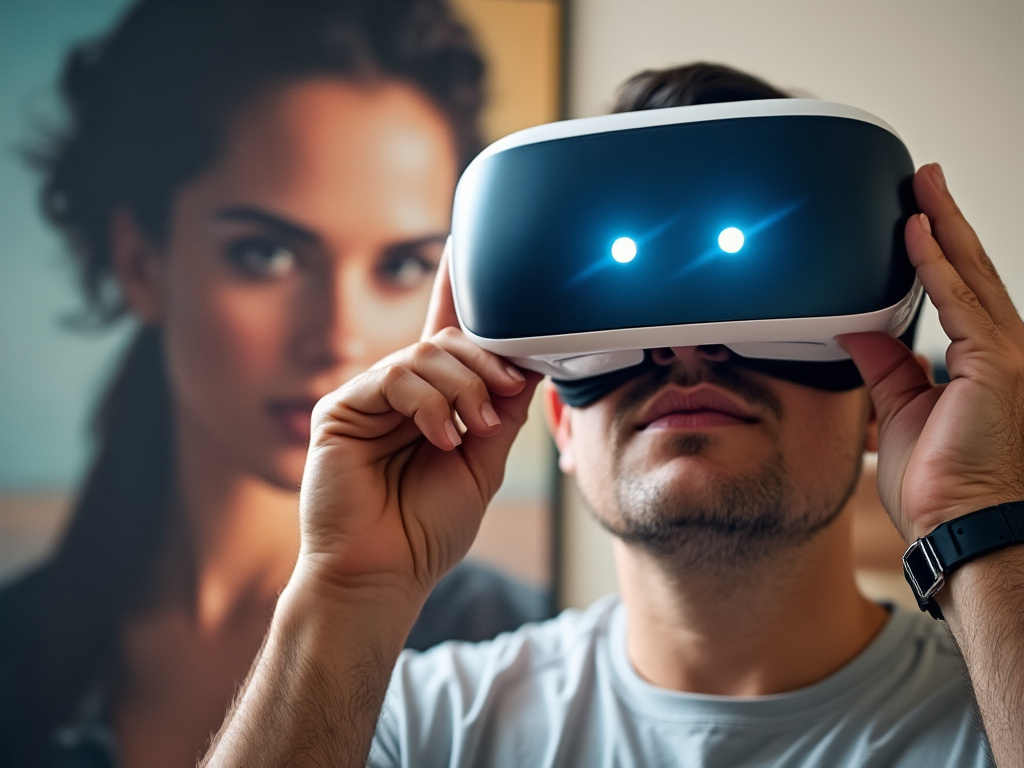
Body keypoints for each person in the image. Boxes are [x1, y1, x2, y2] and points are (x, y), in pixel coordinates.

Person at [199, 63, 1024, 767]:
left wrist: (978, 514)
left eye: (758, 322)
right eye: (622, 336)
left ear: (886, 409)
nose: (685, 353)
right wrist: (347, 588)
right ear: (557, 422)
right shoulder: (424, 726)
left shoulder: (994, 710)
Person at [0, 1, 552, 766]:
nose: (336, 336)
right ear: (140, 263)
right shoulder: (17, 656)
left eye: (400, 267)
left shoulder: (520, 657)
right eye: (267, 255)